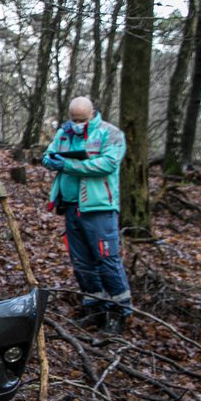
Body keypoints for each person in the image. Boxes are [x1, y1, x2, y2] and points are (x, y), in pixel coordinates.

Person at [43, 96, 133, 333]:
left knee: (107, 260)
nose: (77, 123)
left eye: (81, 119)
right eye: (73, 119)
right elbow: (48, 155)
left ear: (92, 113)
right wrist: (53, 162)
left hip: (99, 209)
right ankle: (95, 308)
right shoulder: (64, 133)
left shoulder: (110, 134)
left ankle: (118, 312)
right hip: (72, 208)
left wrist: (69, 165)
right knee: (82, 262)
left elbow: (107, 165)